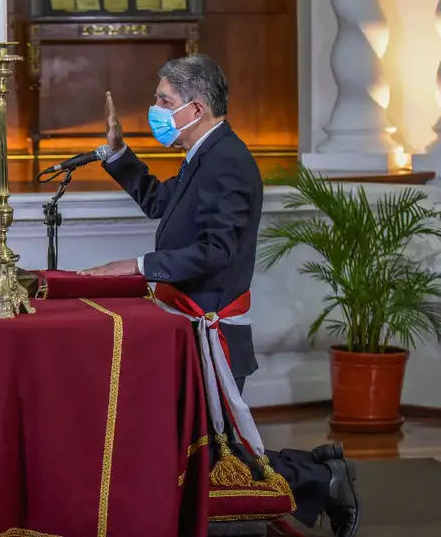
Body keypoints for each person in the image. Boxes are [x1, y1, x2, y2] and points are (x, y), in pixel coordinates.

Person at [79, 54, 360, 536]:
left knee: (218, 458)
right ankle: (321, 471)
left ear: (196, 107)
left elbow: (214, 251)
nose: (156, 110)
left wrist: (138, 267)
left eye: (164, 101)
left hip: (214, 331)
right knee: (201, 451)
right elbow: (160, 204)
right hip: (187, 324)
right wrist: (118, 154)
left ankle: (322, 476)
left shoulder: (226, 161)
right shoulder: (205, 156)